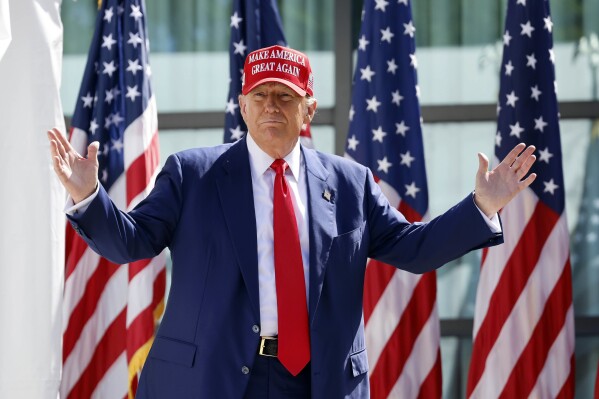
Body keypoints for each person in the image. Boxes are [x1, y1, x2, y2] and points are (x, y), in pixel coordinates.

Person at [48, 45, 536, 399]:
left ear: (309, 109)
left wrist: (482, 205)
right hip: (210, 379)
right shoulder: (193, 174)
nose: (271, 107)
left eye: (285, 96)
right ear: (242, 105)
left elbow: (414, 248)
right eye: (260, 96)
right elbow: (130, 242)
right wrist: (88, 196)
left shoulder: (350, 183)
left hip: (316, 381)